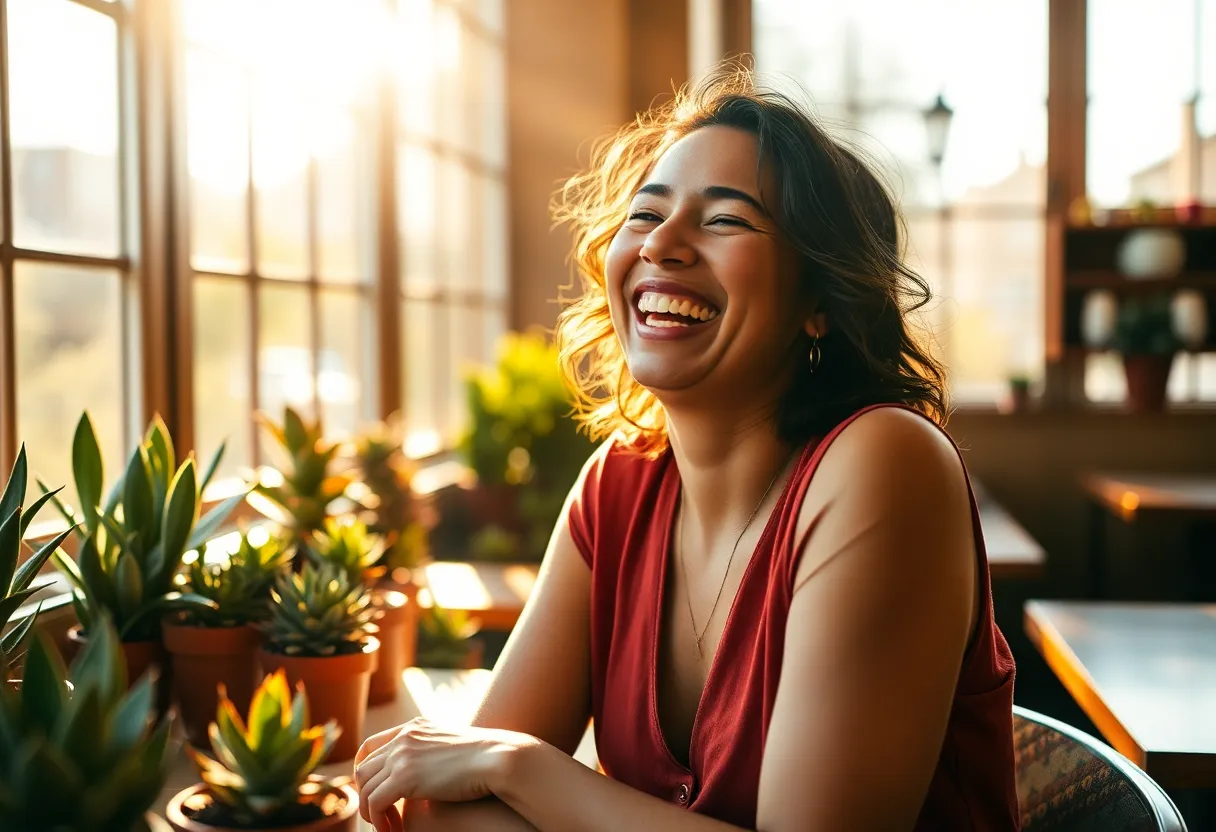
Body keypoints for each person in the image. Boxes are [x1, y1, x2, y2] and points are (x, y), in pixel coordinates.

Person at [352, 63, 1020, 832]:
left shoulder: (884, 464)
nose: (661, 244)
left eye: (726, 220)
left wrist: (522, 765)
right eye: (644, 214)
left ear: (820, 302)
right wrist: (498, 774)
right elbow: (451, 806)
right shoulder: (619, 485)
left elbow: (496, 768)